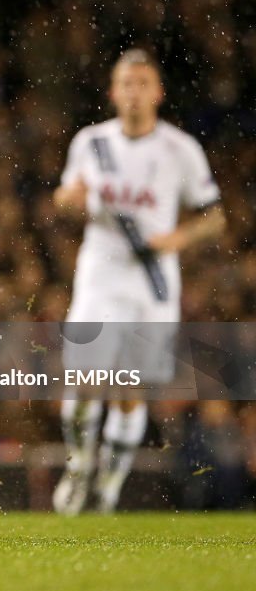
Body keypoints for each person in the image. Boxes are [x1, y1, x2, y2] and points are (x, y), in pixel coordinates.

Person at [52, 48, 226, 515]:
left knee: (129, 391)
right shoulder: (92, 143)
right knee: (84, 381)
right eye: (125, 84)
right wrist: (71, 198)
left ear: (158, 93)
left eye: (142, 83)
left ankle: (109, 484)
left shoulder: (180, 149)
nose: (133, 92)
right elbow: (66, 199)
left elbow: (215, 217)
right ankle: (79, 463)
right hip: (100, 276)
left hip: (152, 283)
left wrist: (178, 237)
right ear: (113, 92)